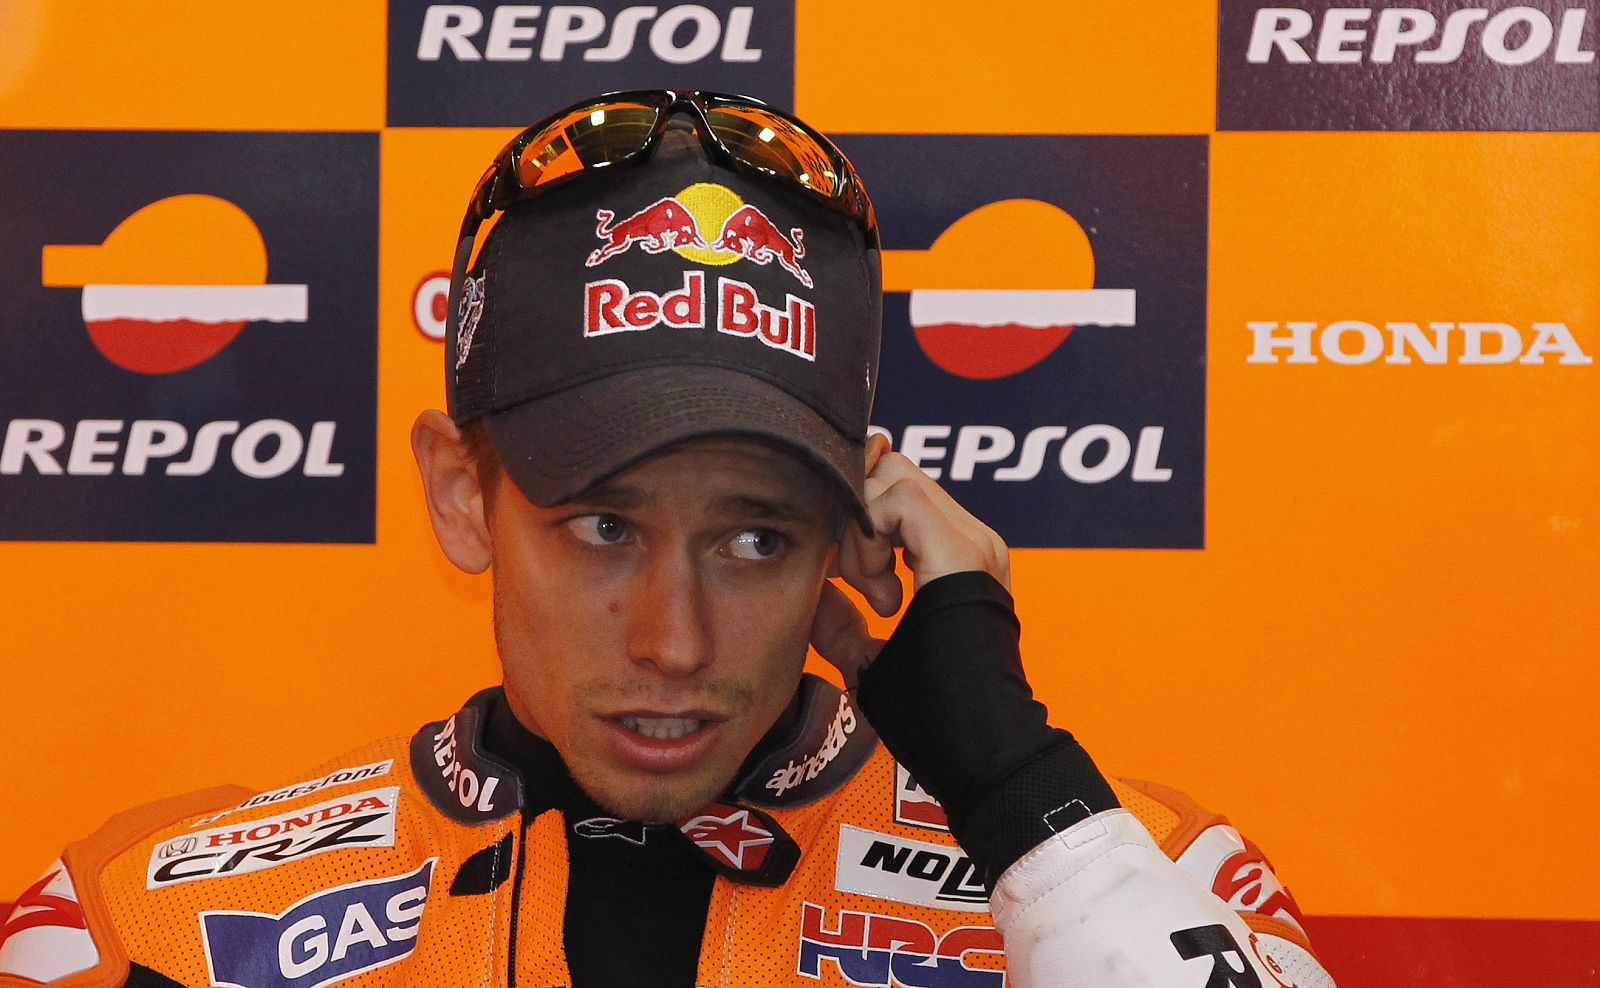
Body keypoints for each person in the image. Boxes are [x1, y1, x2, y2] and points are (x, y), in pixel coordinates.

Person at [0, 91, 1335, 988]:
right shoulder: (154, 926)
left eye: (755, 539)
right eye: (599, 525)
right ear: (461, 494)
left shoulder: (1130, 880)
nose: (672, 642)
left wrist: (1018, 796)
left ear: (860, 531)